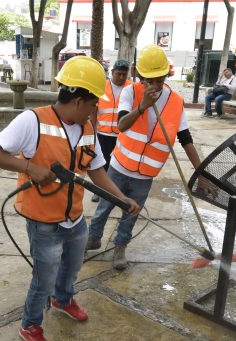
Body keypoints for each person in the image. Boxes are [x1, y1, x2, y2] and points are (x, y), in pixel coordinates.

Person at [0, 56, 140, 341]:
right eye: (94, 102)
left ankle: (63, 299)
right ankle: (30, 325)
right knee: (44, 277)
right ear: (79, 100)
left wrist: (121, 198)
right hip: (43, 221)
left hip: (75, 218)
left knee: (71, 266)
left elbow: (96, 170)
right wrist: (29, 167)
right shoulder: (33, 121)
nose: (96, 108)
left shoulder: (88, 126)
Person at [86, 44, 203, 270]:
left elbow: (185, 138)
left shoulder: (175, 101)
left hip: (146, 173)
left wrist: (201, 172)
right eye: (151, 80)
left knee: (131, 214)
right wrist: (142, 107)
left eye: (160, 79)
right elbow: (121, 125)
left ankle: (120, 247)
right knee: (104, 206)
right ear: (140, 77)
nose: (157, 85)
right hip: (119, 166)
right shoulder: (131, 92)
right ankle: (94, 238)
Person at [90, 59, 132, 202]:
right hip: (104, 134)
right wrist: (92, 130)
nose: (121, 77)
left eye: (124, 75)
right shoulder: (102, 86)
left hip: (123, 134)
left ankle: (118, 192)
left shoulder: (132, 88)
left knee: (121, 164)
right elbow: (93, 110)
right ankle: (100, 191)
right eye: (118, 74)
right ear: (112, 73)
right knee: (102, 164)